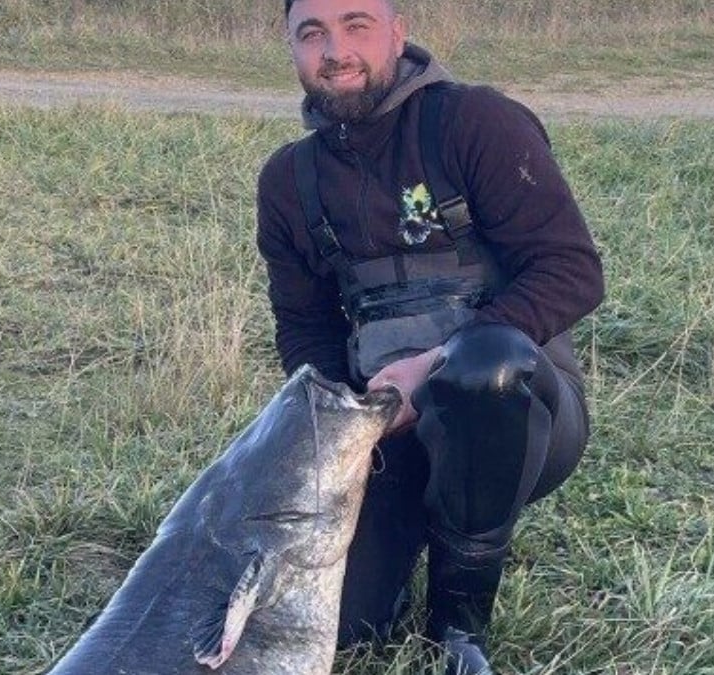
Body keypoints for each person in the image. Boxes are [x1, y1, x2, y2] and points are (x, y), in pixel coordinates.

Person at [255, 0, 605, 673]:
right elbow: (305, 330)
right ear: (292, 49)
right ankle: (398, 544)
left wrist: (434, 366)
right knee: (343, 625)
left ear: (398, 32)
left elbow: (573, 270)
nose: (336, 51)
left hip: (520, 409)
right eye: (312, 34)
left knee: (486, 365)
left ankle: (459, 626)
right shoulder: (287, 183)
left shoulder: (476, 122)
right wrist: (342, 430)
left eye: (357, 25)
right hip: (385, 433)